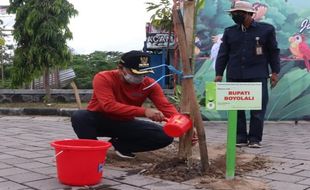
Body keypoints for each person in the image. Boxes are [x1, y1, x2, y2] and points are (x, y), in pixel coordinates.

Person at [71, 50, 179, 158]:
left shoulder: (150, 84)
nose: (140, 78)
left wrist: (182, 124)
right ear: (121, 68)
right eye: (136, 73)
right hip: (100, 121)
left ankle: (121, 146)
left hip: (125, 122)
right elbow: (109, 106)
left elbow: (166, 107)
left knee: (165, 136)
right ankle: (94, 150)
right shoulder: (103, 78)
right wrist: (145, 111)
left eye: (144, 74)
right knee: (80, 117)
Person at [214, 1, 280, 148]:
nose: (235, 16)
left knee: (258, 108)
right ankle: (240, 137)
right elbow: (223, 54)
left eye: (239, 13)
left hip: (258, 74)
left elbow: (273, 52)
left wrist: (275, 72)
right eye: (233, 13)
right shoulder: (230, 31)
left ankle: (255, 139)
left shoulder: (266, 30)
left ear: (250, 14)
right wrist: (219, 73)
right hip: (235, 74)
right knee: (236, 108)